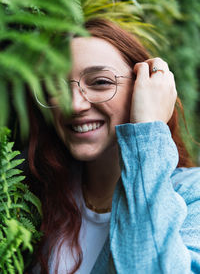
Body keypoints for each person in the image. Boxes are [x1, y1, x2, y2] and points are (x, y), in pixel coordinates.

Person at [27, 18, 200, 274]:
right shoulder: (36, 194)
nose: (74, 105)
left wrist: (148, 129)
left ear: (143, 88)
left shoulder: (192, 195)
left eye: (100, 82)